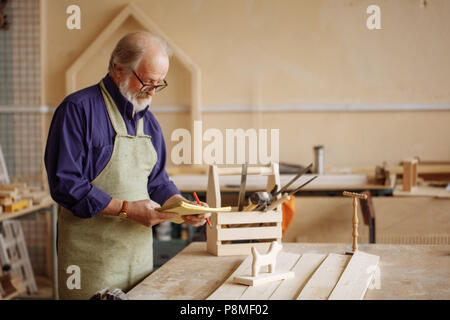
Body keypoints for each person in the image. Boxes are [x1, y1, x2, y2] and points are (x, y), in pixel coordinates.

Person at [44, 31, 210, 299]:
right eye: (147, 81)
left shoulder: (150, 123)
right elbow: (66, 184)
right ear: (119, 70)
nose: (153, 91)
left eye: (159, 83)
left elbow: (157, 181)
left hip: (138, 264)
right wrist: (126, 209)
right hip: (90, 267)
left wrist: (182, 207)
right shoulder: (77, 110)